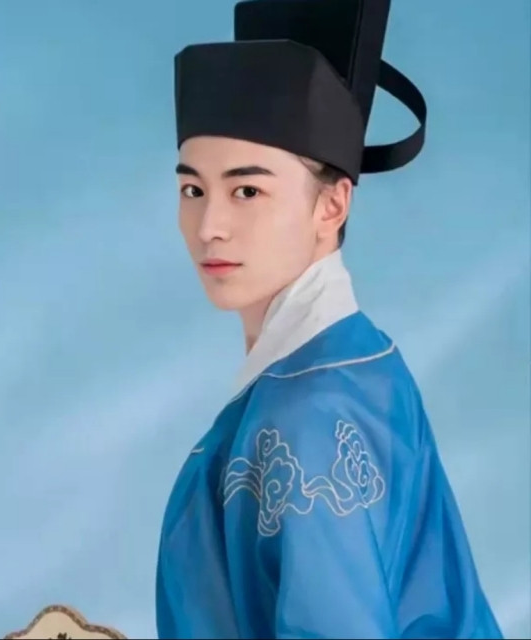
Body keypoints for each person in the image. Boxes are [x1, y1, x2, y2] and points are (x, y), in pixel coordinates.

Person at [155, 0, 504, 638]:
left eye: (247, 190)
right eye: (193, 190)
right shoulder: (360, 361)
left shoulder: (307, 412)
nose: (210, 226)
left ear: (332, 205)